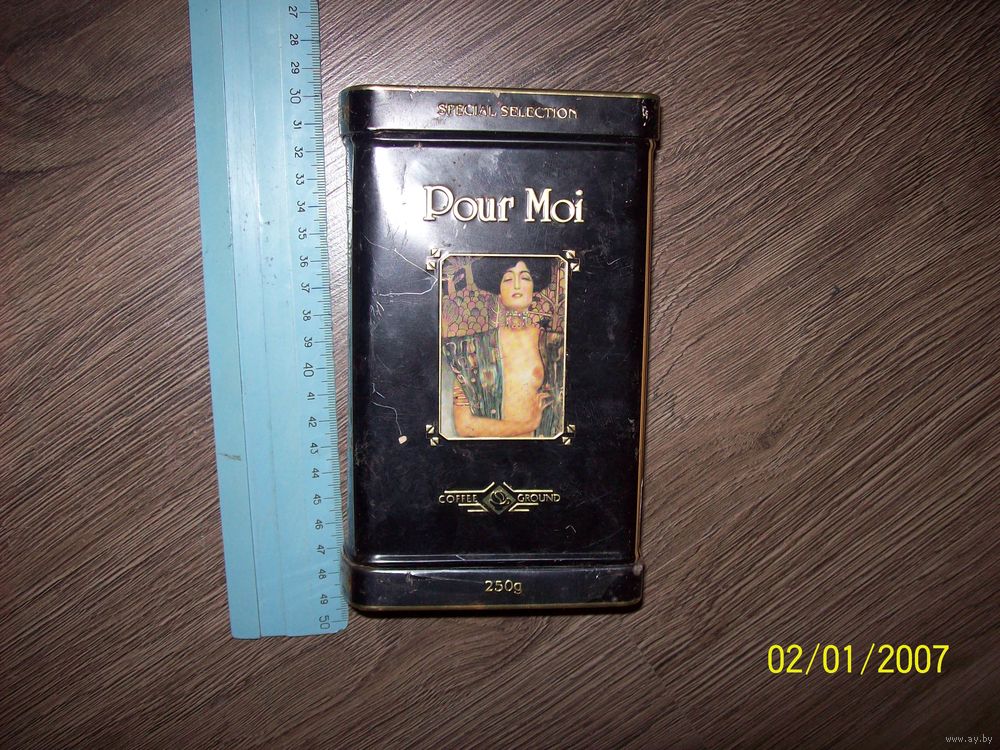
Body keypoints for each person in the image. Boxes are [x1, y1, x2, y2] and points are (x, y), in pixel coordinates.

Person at [443, 256, 564, 438]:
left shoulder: (555, 345)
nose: (517, 285)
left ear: (534, 288)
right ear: (498, 290)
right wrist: (528, 425)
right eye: (508, 279)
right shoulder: (469, 349)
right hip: (490, 450)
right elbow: (465, 425)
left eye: (525, 278)